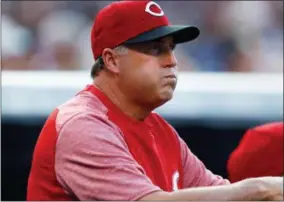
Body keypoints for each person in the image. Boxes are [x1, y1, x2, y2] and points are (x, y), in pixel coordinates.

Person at [27, 1, 283, 201]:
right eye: (155, 49)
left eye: (172, 48)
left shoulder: (160, 131)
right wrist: (262, 188)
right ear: (112, 60)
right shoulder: (82, 125)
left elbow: (219, 194)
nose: (171, 60)